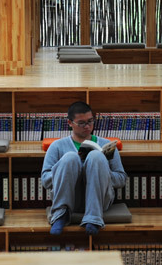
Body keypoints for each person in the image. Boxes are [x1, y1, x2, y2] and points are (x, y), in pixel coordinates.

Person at [41, 101, 127, 236]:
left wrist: (101, 170)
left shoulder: (106, 145)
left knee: (96, 157)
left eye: (91, 121)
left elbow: (121, 179)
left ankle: (93, 218)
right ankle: (61, 214)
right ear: (70, 123)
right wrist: (66, 168)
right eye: (81, 123)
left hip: (99, 200)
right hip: (70, 199)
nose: (87, 126)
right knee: (70, 158)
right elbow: (45, 181)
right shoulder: (57, 146)